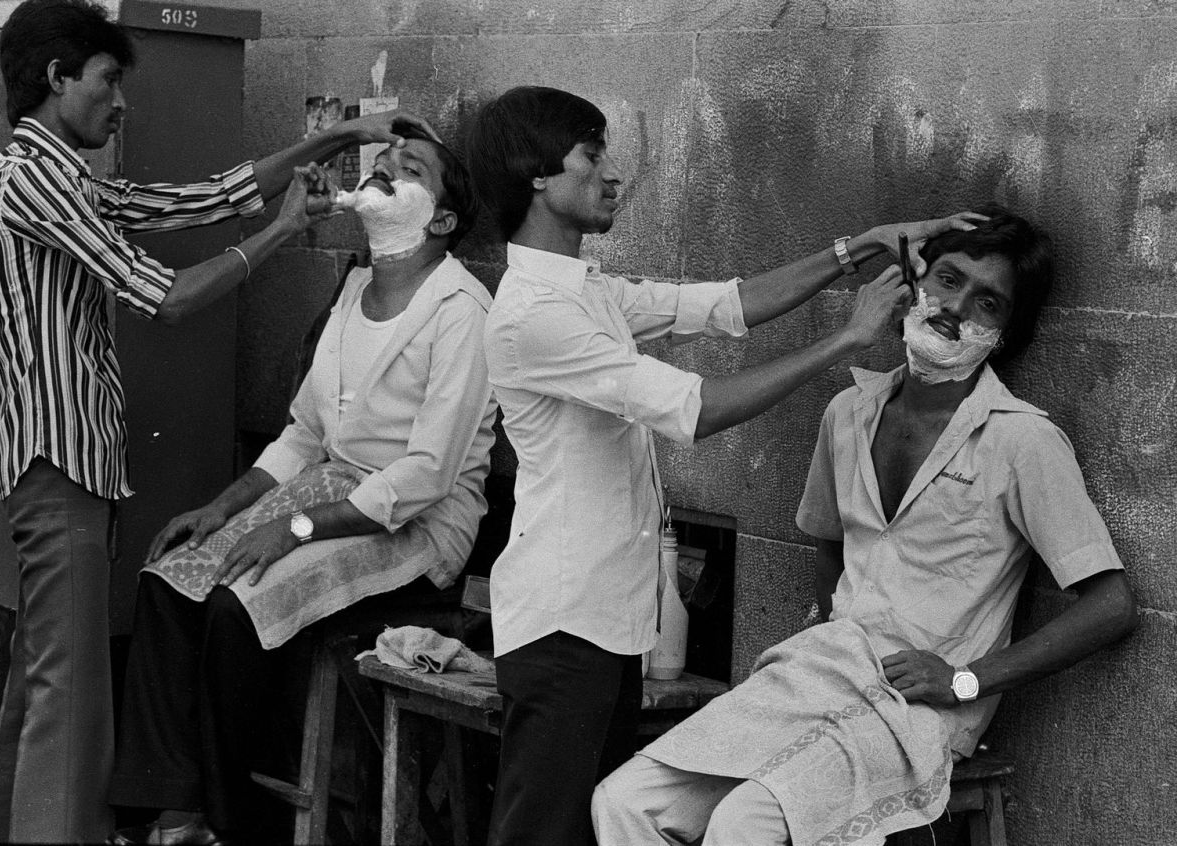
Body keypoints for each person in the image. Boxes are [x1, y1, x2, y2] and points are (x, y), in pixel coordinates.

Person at [0, 0, 442, 841]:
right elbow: (170, 295)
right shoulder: (37, 178)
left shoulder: (55, 176)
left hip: (59, 463)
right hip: (56, 462)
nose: (122, 105)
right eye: (110, 81)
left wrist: (333, 141)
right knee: (71, 694)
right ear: (56, 78)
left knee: (44, 680)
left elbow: (201, 198)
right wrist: (282, 232)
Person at [465, 84, 983, 846]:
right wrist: (845, 340)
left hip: (604, 622)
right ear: (535, 174)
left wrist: (864, 243)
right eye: (591, 156)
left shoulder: (586, 292)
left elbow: (729, 304)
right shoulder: (535, 316)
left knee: (580, 828)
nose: (612, 174)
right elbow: (695, 410)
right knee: (542, 836)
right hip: (562, 623)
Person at [592, 206, 1139, 846]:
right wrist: (845, 628)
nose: (956, 308)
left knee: (746, 823)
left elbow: (1112, 605)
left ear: (1005, 331)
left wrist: (966, 679)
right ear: (914, 282)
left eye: (987, 302)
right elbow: (829, 545)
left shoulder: (1022, 441)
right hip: (819, 671)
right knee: (625, 801)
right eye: (948, 280)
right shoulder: (848, 412)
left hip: (922, 710)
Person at [107, 127, 495, 844]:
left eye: (409, 169)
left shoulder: (461, 312)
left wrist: (293, 527)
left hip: (416, 525)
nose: (384, 172)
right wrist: (222, 507)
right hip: (328, 488)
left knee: (235, 604)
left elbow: (426, 474)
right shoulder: (352, 289)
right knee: (168, 581)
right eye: (382, 163)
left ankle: (236, 825)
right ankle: (172, 814)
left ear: (441, 221)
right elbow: (303, 437)